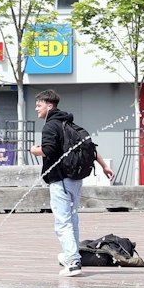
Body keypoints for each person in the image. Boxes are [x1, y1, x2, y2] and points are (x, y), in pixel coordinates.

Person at [32, 89, 112, 278]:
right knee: (72, 220)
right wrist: (104, 166)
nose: (36, 108)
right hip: (75, 180)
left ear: (49, 106)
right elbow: (90, 147)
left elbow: (48, 150)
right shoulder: (69, 123)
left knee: (62, 222)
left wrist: (33, 149)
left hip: (61, 180)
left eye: (39, 105)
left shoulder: (51, 126)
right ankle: (71, 256)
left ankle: (73, 263)